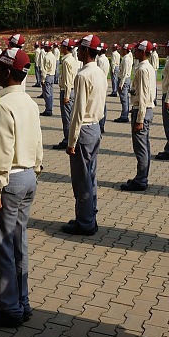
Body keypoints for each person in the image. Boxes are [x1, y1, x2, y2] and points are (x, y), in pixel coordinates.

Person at [0, 47, 43, 329]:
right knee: (19, 242)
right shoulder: (29, 102)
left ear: (5, 72)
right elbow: (37, 143)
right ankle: (21, 301)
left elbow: (3, 150)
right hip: (28, 176)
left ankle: (8, 308)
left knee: (2, 245)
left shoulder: (4, 105)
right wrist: (35, 169)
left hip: (10, 179)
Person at [61, 35, 106, 236]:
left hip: (84, 129)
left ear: (87, 51)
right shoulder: (99, 72)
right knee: (91, 177)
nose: (77, 51)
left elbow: (77, 112)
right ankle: (88, 215)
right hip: (95, 126)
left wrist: (71, 141)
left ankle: (85, 222)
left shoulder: (82, 75)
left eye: (80, 48)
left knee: (81, 180)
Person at [121, 41, 156, 192]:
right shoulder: (148, 68)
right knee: (144, 146)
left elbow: (142, 96)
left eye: (136, 49)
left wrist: (139, 119)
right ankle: (141, 176)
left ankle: (141, 180)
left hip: (142, 109)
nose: (133, 51)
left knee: (140, 147)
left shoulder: (142, 70)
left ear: (142, 52)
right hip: (146, 108)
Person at [54, 39, 78, 149]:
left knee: (67, 117)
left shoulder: (66, 61)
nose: (60, 48)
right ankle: (72, 138)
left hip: (67, 90)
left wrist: (66, 96)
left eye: (62, 46)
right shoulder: (72, 59)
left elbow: (68, 79)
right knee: (71, 116)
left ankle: (68, 139)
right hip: (72, 89)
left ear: (66, 48)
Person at [114, 44, 132, 123]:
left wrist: (121, 84)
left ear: (125, 50)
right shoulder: (126, 58)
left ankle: (124, 116)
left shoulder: (126, 59)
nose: (120, 51)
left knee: (124, 99)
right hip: (125, 79)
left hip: (124, 80)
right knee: (125, 99)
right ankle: (125, 114)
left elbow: (124, 73)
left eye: (122, 50)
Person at [96, 47, 111, 133]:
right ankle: (102, 124)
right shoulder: (105, 59)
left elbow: (99, 72)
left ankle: (100, 124)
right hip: (104, 81)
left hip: (100, 82)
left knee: (100, 105)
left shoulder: (100, 60)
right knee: (102, 103)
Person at [40, 42, 56, 116]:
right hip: (52, 75)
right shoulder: (53, 56)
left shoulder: (46, 57)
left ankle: (48, 110)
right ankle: (50, 108)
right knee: (51, 94)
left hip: (47, 76)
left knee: (47, 94)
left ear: (47, 48)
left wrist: (42, 80)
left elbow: (44, 70)